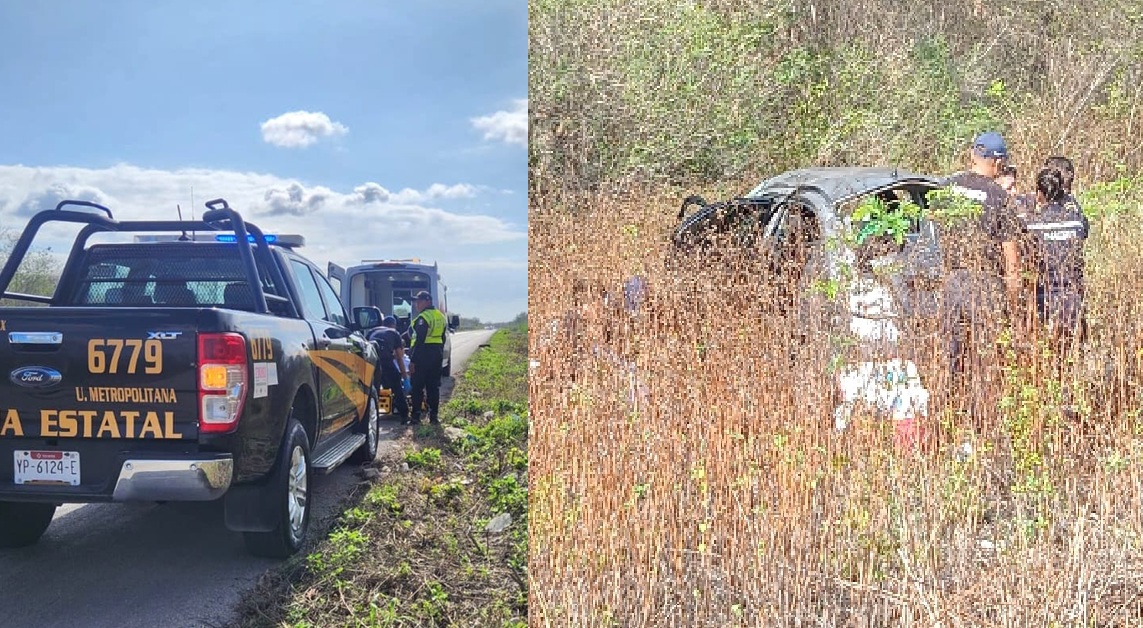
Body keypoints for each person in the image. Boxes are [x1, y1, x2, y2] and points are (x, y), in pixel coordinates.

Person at [932, 131, 1023, 421]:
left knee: (951, 356)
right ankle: (982, 420)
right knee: (986, 360)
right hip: (984, 284)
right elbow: (1011, 258)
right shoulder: (998, 196)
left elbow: (934, 236)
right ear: (998, 163)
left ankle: (948, 417)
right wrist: (1012, 301)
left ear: (973, 155)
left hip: (952, 282)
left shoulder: (945, 189)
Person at [1022, 166, 1089, 351]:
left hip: (1044, 298)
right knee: (1067, 354)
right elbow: (1084, 233)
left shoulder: (1032, 225)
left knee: (1045, 354)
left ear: (1039, 194)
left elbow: (1029, 264)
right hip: (1072, 296)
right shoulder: (1076, 221)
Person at [406, 290, 447, 425]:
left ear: (428, 301)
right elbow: (443, 337)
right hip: (436, 355)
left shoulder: (423, 318)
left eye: (419, 301)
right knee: (433, 387)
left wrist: (413, 361)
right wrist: (439, 354)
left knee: (417, 387)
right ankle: (434, 417)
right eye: (416, 301)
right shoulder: (440, 317)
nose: (417, 304)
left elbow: (419, 341)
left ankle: (416, 417)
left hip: (422, 356)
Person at [367, 315, 410, 421]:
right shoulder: (394, 333)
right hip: (386, 362)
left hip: (370, 362)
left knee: (371, 390)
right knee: (397, 386)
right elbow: (400, 358)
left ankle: (369, 415)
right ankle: (404, 415)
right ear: (394, 325)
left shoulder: (372, 331)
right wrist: (405, 379)